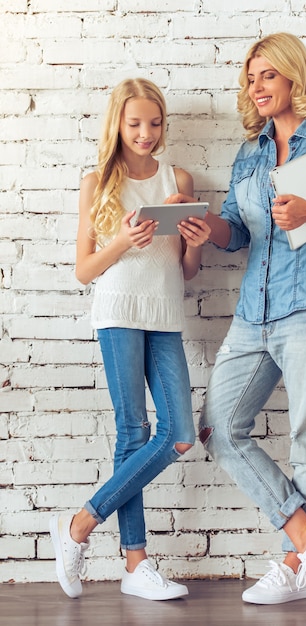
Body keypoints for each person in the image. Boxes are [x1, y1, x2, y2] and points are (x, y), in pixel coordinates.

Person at [170, 33, 306, 608]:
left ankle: (296, 568)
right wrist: (203, 226)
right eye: (250, 77)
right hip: (253, 316)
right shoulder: (250, 152)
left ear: (292, 77)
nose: (256, 87)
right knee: (217, 426)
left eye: (267, 75)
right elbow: (237, 232)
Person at [49, 78, 211, 601]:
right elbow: (83, 270)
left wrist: (194, 242)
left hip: (165, 315)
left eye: (155, 123)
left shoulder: (177, 178)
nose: (146, 133)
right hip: (118, 313)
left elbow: (186, 272)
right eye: (135, 123)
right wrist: (122, 239)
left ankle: (79, 523)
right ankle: (136, 563)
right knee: (134, 432)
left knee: (179, 434)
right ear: (118, 123)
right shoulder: (97, 182)